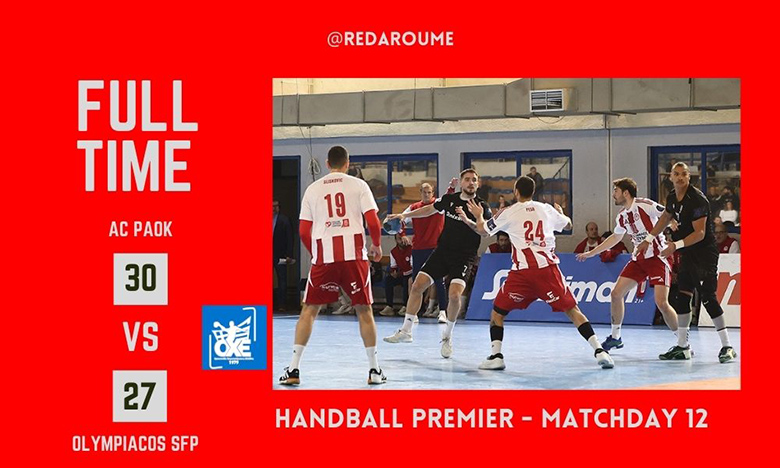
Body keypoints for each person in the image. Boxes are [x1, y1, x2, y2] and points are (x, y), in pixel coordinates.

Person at [465, 176, 614, 370]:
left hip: (522, 275)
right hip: (547, 271)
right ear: (533, 192)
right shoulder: (546, 209)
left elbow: (483, 230)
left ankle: (496, 356)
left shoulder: (508, 212)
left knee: (497, 313)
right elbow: (568, 225)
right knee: (573, 310)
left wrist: (478, 215)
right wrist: (562, 214)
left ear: (516, 192)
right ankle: (600, 351)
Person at [279, 145, 387, 386]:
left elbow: (303, 231)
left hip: (324, 258)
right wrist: (377, 245)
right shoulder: (359, 185)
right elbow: (373, 221)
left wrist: (315, 253)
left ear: (327, 164)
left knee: (309, 310)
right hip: (354, 257)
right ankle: (374, 370)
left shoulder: (312, 189)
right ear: (347, 163)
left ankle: (294, 369)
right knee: (364, 311)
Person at [383, 169, 492, 358]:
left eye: (474, 180)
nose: (471, 182)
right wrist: (404, 216)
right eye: (467, 179)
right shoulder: (450, 200)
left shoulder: (482, 207)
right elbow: (429, 209)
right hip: (442, 252)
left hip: (464, 257)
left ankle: (447, 337)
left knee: (454, 296)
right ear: (461, 183)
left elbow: (485, 233)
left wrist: (471, 218)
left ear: (478, 183)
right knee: (417, 285)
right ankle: (406, 331)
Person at [636, 162, 737, 363]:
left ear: (689, 177)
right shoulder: (672, 196)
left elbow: (700, 233)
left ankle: (727, 346)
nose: (680, 177)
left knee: (708, 298)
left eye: (684, 174)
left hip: (704, 254)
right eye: (676, 174)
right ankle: (683, 347)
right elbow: (665, 217)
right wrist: (648, 239)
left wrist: (675, 245)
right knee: (682, 298)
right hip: (687, 253)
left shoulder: (697, 199)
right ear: (671, 177)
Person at [576, 178, 680, 354]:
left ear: (625, 193)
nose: (613, 195)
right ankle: (616, 337)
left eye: (615, 191)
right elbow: (615, 237)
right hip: (638, 259)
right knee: (616, 294)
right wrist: (591, 252)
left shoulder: (644, 205)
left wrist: (672, 222)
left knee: (661, 303)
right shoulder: (622, 216)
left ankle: (683, 342)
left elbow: (665, 213)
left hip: (657, 257)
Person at [402, 180, 457, 322]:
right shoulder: (413, 208)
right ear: (420, 193)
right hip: (418, 249)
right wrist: (402, 235)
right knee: (416, 282)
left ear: (432, 193)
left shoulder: (438, 204)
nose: (427, 195)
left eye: (429, 192)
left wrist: (451, 187)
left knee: (439, 281)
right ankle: (413, 313)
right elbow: (401, 220)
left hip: (435, 248)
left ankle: (443, 312)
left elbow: (447, 197)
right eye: (424, 192)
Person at [379, 233, 413, 316]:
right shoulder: (393, 252)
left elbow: (413, 268)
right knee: (388, 280)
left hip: (410, 275)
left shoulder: (412, 249)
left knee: (407, 280)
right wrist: (393, 273)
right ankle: (389, 306)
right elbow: (393, 266)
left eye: (403, 238)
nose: (402, 241)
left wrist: (401, 273)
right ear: (396, 240)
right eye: (399, 239)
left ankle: (405, 306)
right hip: (401, 275)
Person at [273, 199, 294, 312]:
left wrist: (289, 254)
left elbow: (289, 238)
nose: (273, 208)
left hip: (280, 254)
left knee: (282, 279)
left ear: (279, 208)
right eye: (271, 206)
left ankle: (282, 304)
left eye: (276, 206)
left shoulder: (284, 220)